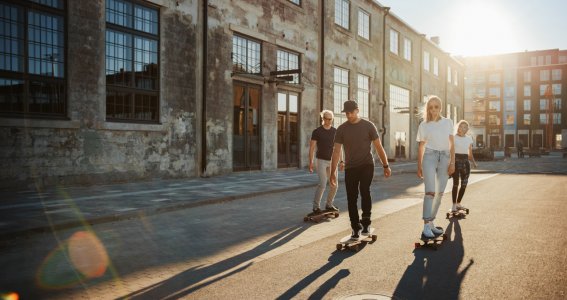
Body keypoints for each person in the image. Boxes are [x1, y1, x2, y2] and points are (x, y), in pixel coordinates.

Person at [330, 100, 391, 239]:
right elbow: (336, 151)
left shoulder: (368, 126)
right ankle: (355, 228)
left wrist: (385, 165)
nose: (348, 115)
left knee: (364, 190)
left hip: (366, 165)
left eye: (351, 112)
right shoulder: (341, 129)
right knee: (351, 197)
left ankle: (366, 223)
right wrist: (333, 172)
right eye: (346, 113)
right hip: (350, 167)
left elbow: (378, 146)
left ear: (357, 111)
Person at [416, 95, 455, 238]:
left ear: (441, 107)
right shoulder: (424, 124)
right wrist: (419, 165)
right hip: (430, 157)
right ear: (428, 109)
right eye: (430, 107)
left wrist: (452, 162)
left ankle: (431, 222)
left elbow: (451, 143)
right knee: (430, 192)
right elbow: (421, 146)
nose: (433, 110)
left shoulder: (448, 122)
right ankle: (426, 225)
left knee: (439, 193)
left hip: (445, 157)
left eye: (436, 107)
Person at [307, 110, 339, 216]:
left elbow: (338, 148)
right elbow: (312, 148)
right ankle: (316, 207)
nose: (328, 121)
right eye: (326, 118)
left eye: (330, 119)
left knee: (334, 184)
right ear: (323, 118)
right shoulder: (317, 131)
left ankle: (329, 204)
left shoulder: (335, 131)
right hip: (321, 161)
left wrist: (342, 161)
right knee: (323, 184)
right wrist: (310, 162)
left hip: (332, 161)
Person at [451, 120, 477, 212]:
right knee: (455, 183)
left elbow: (470, 153)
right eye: (461, 126)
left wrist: (473, 162)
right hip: (456, 161)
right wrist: (450, 163)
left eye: (465, 127)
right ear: (458, 127)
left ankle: (458, 203)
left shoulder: (469, 138)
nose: (462, 128)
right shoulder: (453, 137)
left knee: (464, 184)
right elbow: (450, 151)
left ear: (467, 129)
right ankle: (454, 205)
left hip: (466, 163)